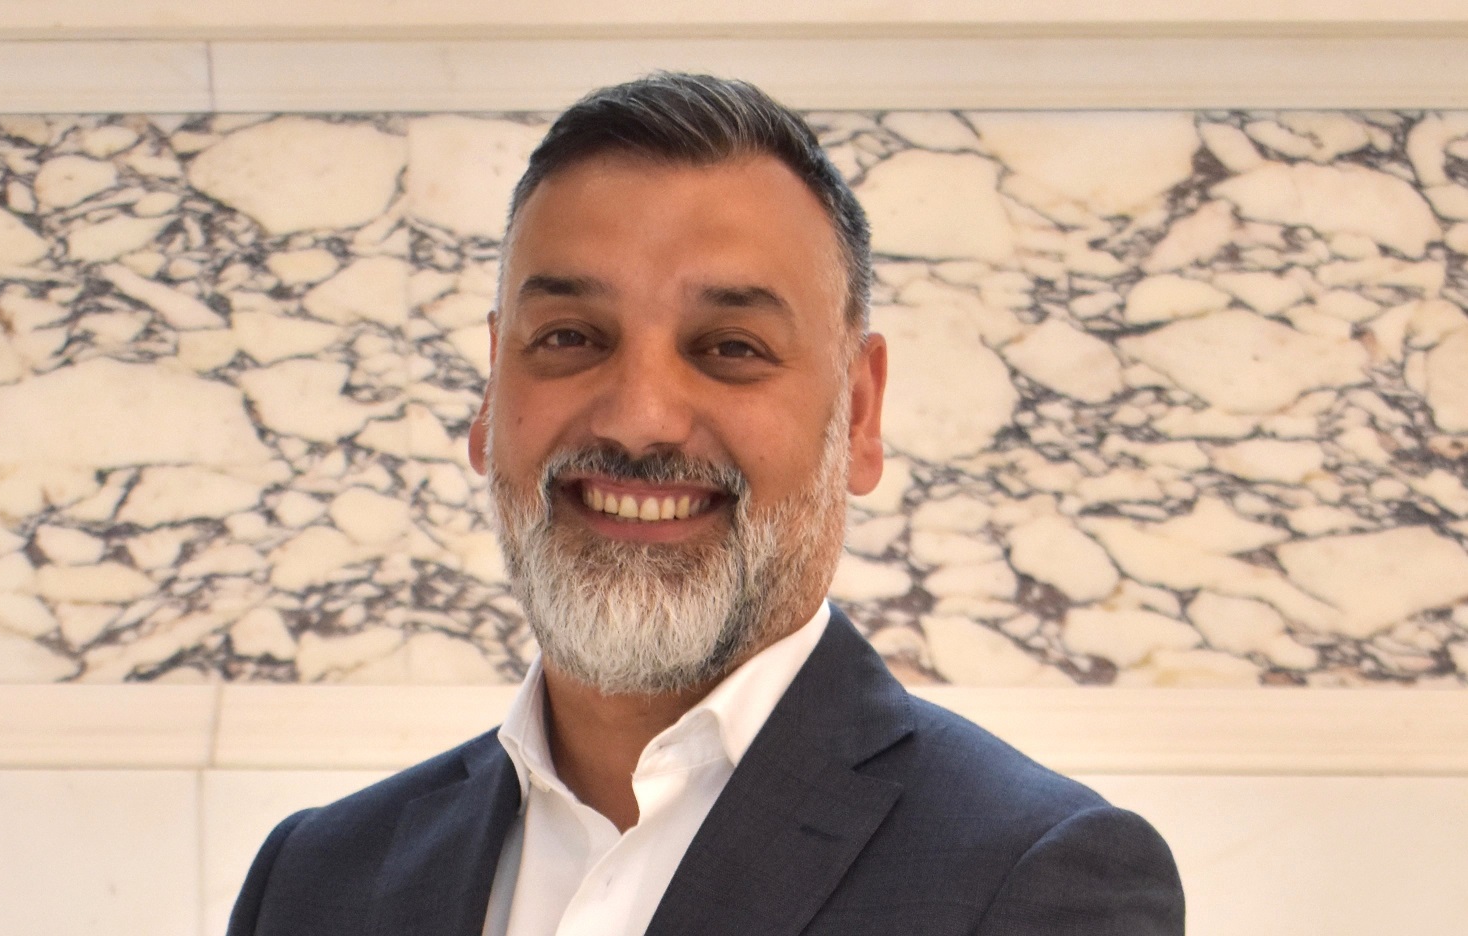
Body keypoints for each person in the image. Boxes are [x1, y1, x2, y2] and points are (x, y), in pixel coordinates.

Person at [228, 73, 1186, 936]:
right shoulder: (314, 882)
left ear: (857, 414)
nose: (640, 419)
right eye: (570, 337)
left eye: (730, 348)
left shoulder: (1036, 880)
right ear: (489, 397)